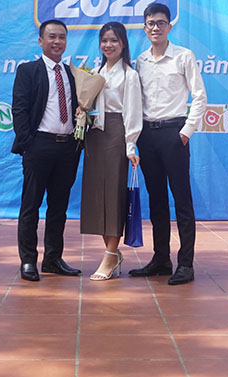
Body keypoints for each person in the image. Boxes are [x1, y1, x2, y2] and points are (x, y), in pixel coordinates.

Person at [129, 3, 206, 285]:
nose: (156, 27)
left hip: (174, 133)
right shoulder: (140, 61)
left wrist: (186, 132)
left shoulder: (184, 56)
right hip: (148, 135)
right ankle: (161, 259)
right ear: (144, 27)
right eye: (150, 23)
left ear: (169, 26)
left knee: (182, 200)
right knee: (157, 200)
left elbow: (199, 96)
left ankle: (185, 264)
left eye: (161, 22)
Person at [11, 19, 82, 282]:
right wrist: (28, 144)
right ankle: (28, 260)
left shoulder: (73, 74)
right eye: (52, 36)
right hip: (39, 146)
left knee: (59, 207)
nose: (57, 41)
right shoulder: (28, 71)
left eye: (62, 37)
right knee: (31, 205)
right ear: (40, 41)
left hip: (67, 148)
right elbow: (19, 109)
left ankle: (53, 259)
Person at [80, 22, 142, 281]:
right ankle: (111, 253)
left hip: (117, 134)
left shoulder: (129, 75)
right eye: (104, 40)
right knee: (98, 197)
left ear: (123, 43)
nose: (108, 45)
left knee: (114, 196)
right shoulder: (95, 72)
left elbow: (132, 112)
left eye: (114, 40)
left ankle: (109, 255)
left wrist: (130, 145)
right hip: (94, 135)